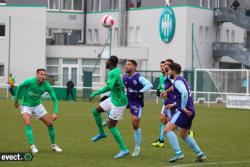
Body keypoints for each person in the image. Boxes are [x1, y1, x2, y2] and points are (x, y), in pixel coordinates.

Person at [164, 63, 206, 163]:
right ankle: (200, 154)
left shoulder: (178, 81)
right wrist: (174, 104)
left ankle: (178, 153)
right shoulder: (182, 80)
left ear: (173, 71)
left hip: (183, 111)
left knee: (167, 130)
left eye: (169, 70)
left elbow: (185, 93)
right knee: (184, 134)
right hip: (190, 111)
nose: (168, 72)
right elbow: (182, 95)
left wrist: (182, 108)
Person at [14, 68, 62, 154]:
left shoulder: (47, 85)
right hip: (26, 105)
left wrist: (55, 112)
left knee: (50, 124)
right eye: (41, 74)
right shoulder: (30, 81)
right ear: (37, 75)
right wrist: (16, 101)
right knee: (27, 122)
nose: (43, 76)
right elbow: (19, 87)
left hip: (37, 106)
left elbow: (55, 99)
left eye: (44, 75)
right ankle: (32, 146)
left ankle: (54, 145)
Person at [90, 56, 129, 158]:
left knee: (112, 126)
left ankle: (124, 149)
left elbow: (109, 87)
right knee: (95, 111)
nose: (106, 62)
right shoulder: (116, 71)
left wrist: (95, 93)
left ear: (110, 62)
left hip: (119, 102)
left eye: (107, 61)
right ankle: (102, 133)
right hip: (114, 98)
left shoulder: (113, 72)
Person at [123, 59, 153, 157]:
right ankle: (108, 119)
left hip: (136, 102)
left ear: (134, 67)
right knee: (109, 104)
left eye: (129, 64)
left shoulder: (138, 77)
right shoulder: (123, 77)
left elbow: (149, 85)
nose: (126, 66)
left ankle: (137, 147)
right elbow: (117, 87)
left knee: (135, 123)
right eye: (126, 64)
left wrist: (140, 91)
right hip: (126, 99)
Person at [151, 60, 168, 147]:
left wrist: (165, 92)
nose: (162, 67)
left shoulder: (169, 77)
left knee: (166, 121)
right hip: (166, 102)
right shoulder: (161, 77)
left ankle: (161, 141)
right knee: (163, 121)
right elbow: (159, 89)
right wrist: (159, 91)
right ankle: (161, 140)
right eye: (160, 66)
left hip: (171, 103)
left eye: (163, 66)